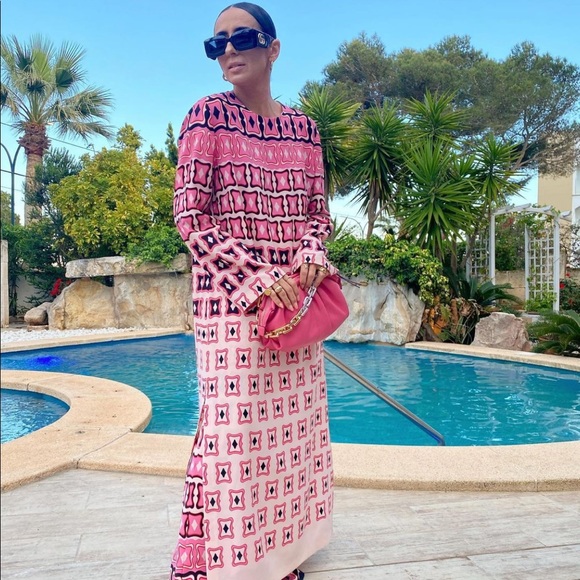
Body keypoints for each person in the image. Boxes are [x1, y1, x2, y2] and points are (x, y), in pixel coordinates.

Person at [170, 4, 336, 579]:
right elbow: (190, 216)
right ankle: (222, 561)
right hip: (231, 305)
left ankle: (280, 556)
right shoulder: (207, 116)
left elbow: (318, 214)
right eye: (216, 43)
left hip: (294, 307)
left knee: (293, 436)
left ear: (273, 47)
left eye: (241, 38)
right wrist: (258, 277)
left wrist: (311, 253)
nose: (228, 50)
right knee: (232, 435)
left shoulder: (305, 129)